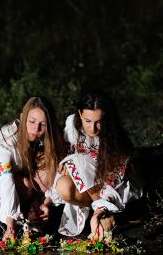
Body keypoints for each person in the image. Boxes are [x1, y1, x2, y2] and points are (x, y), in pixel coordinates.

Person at [53, 89, 143, 239]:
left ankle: (104, 212)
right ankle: (100, 211)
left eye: (98, 122)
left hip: (113, 188)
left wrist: (102, 208)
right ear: (80, 114)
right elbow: (67, 153)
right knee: (63, 185)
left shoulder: (115, 139)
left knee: (78, 160)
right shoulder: (72, 124)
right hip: (87, 184)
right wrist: (65, 163)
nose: (92, 128)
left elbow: (115, 181)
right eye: (87, 121)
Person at [0, 96, 66, 241]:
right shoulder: (5, 139)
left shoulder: (54, 138)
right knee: (25, 182)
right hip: (11, 186)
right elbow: (4, 180)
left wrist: (47, 202)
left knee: (46, 172)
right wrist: (10, 222)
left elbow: (57, 174)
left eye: (42, 124)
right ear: (22, 117)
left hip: (37, 190)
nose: (35, 129)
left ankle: (37, 217)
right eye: (31, 121)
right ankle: (10, 222)